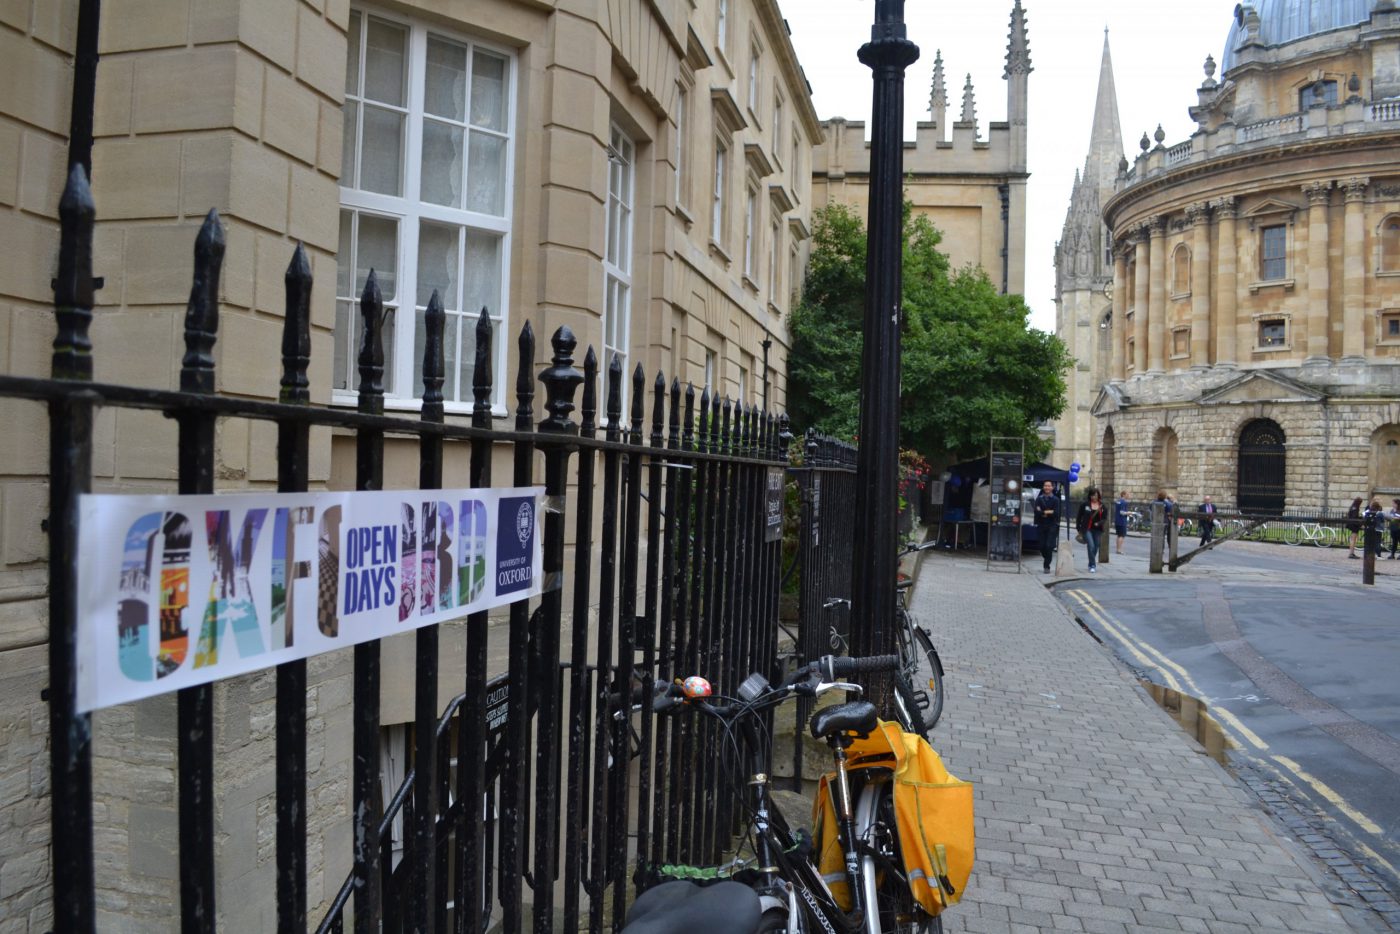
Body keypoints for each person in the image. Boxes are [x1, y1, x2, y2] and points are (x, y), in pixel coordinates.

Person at [1076, 487, 1107, 572]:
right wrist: (1078, 528)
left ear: (1098, 496)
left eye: (1095, 495)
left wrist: (1099, 523)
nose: (1094, 497)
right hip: (1087, 528)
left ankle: (1090, 562)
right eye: (1092, 495)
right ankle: (1092, 565)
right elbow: (1079, 516)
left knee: (1096, 546)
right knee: (1091, 545)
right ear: (1089, 496)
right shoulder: (1085, 505)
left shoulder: (1102, 506)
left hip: (1097, 529)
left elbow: (1104, 518)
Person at [1033, 480, 1060, 574]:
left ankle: (1046, 566)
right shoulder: (1039, 499)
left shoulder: (1056, 499)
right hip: (1041, 525)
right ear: (1043, 487)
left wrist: (1043, 512)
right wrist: (1048, 512)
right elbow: (1036, 511)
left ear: (1052, 487)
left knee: (1049, 546)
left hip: (1052, 525)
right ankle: (1048, 558)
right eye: (1045, 486)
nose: (1047, 487)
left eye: (1049, 486)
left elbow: (1056, 513)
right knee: (1041, 546)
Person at [1113, 490, 1130, 554]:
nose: (1128, 496)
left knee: (1118, 535)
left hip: (1117, 520)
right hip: (1122, 521)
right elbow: (1122, 512)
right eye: (1127, 494)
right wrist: (1128, 513)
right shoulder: (1124, 502)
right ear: (1123, 495)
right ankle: (1119, 550)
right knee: (1122, 536)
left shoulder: (1118, 501)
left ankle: (1117, 549)